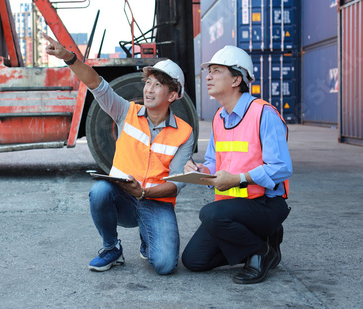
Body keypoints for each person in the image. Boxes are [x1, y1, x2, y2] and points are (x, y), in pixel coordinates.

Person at [43, 33, 194, 275]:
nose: (149, 90)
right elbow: (95, 83)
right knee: (100, 190)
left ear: (173, 95)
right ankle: (111, 248)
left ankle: (148, 238)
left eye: (158, 85)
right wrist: (68, 57)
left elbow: (176, 183)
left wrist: (145, 192)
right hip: (123, 198)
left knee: (165, 265)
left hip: (156, 201)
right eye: (148, 83)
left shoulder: (185, 133)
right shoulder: (127, 112)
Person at [181, 45, 292, 284]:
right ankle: (259, 242)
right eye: (209, 71)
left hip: (265, 205)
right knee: (194, 260)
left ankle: (262, 253)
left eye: (217, 71)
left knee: (209, 213)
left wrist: (239, 179)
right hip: (232, 207)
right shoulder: (219, 119)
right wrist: (201, 171)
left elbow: (281, 167)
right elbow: (214, 161)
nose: (208, 76)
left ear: (236, 79)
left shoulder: (264, 114)